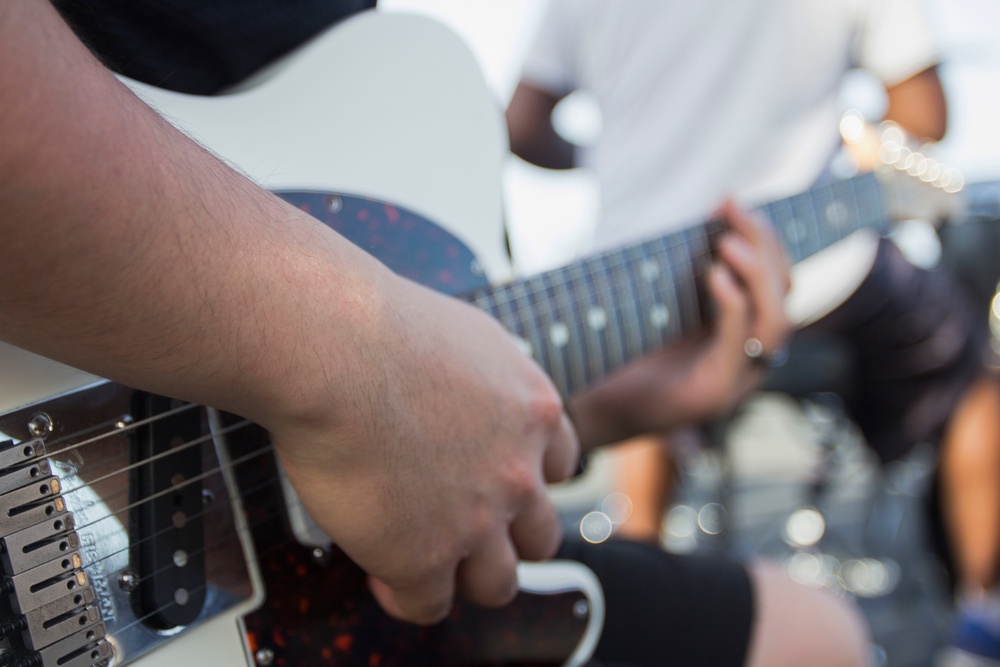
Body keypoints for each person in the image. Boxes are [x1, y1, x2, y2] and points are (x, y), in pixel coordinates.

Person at [0, 2, 872, 665]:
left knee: (809, 636)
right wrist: (351, 360)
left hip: (283, 580)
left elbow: (321, 437)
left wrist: (584, 407)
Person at [507, 0, 1000, 661]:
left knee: (644, 356)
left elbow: (521, 123)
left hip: (641, 282)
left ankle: (641, 569)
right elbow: (926, 116)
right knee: (977, 381)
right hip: (812, 269)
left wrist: (606, 154)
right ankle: (981, 614)